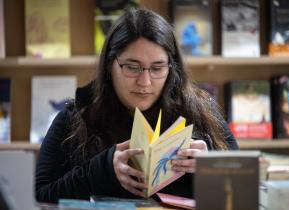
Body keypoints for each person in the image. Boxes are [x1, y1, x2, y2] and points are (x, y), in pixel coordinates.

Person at [35, 8, 238, 203]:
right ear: (109, 64)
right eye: (132, 67)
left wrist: (211, 166)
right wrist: (100, 171)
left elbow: (244, 189)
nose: (145, 82)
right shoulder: (75, 118)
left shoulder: (202, 112)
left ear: (172, 67)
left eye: (157, 68)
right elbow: (39, 196)